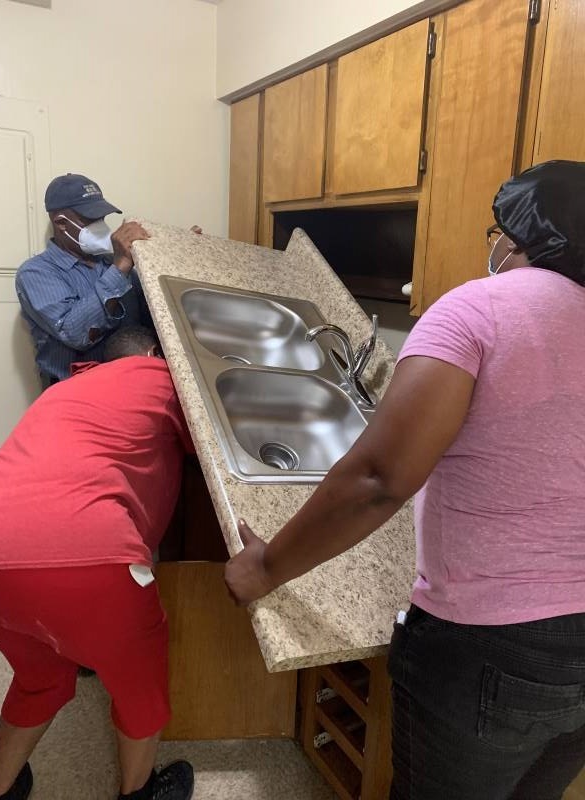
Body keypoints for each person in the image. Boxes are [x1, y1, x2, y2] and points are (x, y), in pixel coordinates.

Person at [225, 160, 585, 800]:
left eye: (498, 229)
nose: (493, 243)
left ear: (524, 236)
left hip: (490, 641)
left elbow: (377, 480)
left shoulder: (479, 308)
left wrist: (265, 568)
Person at [0, 326, 196, 800]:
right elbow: (211, 439)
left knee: (39, 674)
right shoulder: (158, 375)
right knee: (140, 681)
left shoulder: (65, 391)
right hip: (87, 549)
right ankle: (139, 793)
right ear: (151, 354)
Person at [15, 173, 153, 389]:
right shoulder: (35, 273)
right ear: (61, 223)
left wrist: (174, 254)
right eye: (91, 220)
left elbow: (155, 320)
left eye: (102, 218)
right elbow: (76, 332)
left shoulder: (111, 265)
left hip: (129, 387)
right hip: (77, 395)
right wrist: (120, 266)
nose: (101, 226)